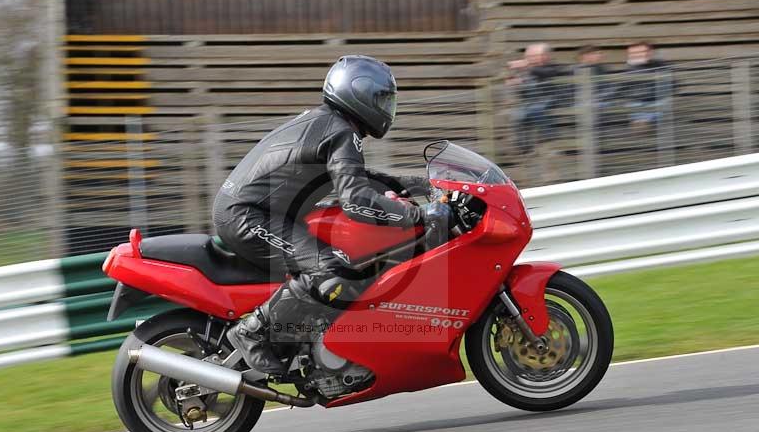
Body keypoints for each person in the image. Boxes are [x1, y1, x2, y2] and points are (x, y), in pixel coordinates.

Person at [213, 55, 452, 375]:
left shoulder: (331, 123)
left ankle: (307, 340)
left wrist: (421, 184)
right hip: (248, 215)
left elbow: (357, 178)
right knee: (332, 266)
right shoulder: (340, 131)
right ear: (359, 94)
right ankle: (252, 333)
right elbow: (356, 201)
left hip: (259, 212)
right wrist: (418, 216)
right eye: (381, 99)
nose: (387, 108)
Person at [507, 43, 570, 153]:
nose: (529, 59)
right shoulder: (530, 71)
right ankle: (524, 148)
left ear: (545, 56)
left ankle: (551, 139)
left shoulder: (554, 67)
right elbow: (525, 93)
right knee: (517, 114)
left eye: (532, 56)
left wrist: (527, 67)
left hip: (554, 98)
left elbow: (548, 73)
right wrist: (518, 85)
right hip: (534, 101)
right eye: (528, 57)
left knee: (536, 109)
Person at [621, 41, 673, 129]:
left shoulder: (661, 64)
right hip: (637, 101)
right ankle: (642, 124)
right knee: (634, 108)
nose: (636, 55)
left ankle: (644, 123)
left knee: (658, 106)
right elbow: (624, 87)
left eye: (640, 52)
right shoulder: (630, 68)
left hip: (656, 100)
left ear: (650, 52)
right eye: (633, 53)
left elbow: (671, 83)